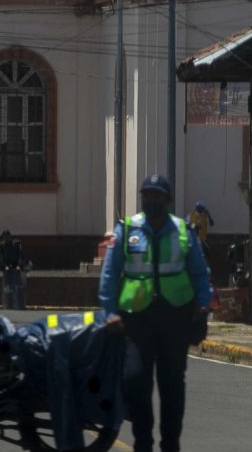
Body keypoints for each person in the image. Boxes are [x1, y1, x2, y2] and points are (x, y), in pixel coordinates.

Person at [99, 174, 212, 452]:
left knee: (172, 383)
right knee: (136, 380)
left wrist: (202, 305)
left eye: (157, 196)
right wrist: (110, 311)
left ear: (168, 200)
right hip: (136, 318)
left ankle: (170, 444)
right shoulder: (127, 229)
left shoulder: (183, 230)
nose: (151, 201)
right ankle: (143, 443)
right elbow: (110, 274)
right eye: (147, 196)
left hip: (175, 316)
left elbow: (200, 273)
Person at [0, 230, 25, 310]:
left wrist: (19, 265)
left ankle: (20, 306)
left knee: (18, 288)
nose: (7, 239)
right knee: (7, 288)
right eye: (5, 237)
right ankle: (8, 305)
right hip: (7, 268)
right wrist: (4, 266)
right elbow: (0, 257)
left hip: (15, 266)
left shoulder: (16, 244)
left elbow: (20, 255)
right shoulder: (2, 246)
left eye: (8, 237)